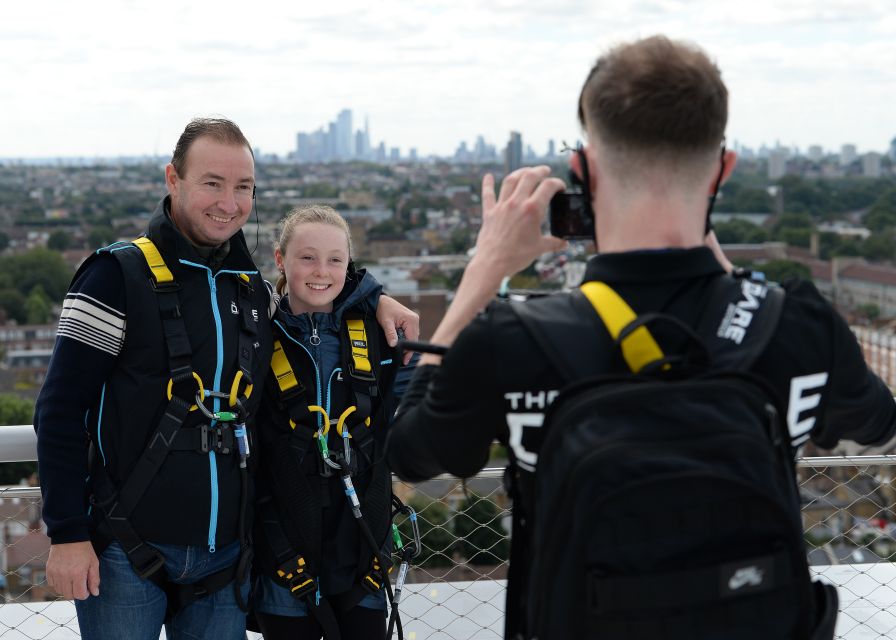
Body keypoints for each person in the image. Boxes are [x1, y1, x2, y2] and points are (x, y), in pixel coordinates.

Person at [385, 36, 896, 638]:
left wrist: (484, 270)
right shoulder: (800, 329)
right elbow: (878, 422)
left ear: (583, 172)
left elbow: (407, 450)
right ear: (724, 169)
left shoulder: (511, 342)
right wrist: (733, 283)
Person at [33, 117, 419, 640]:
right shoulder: (113, 275)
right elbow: (58, 410)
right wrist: (67, 533)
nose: (228, 202)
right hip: (125, 547)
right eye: (212, 182)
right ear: (174, 179)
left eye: (243, 188)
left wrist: (373, 297)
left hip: (226, 557)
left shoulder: (251, 294)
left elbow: (317, 294)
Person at [251, 205, 409, 640]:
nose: (321, 271)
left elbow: (418, 397)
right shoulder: (257, 335)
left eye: (335, 260)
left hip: (361, 556)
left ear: (349, 265)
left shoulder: (375, 335)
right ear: (280, 260)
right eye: (307, 257)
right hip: (283, 555)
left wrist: (376, 299)